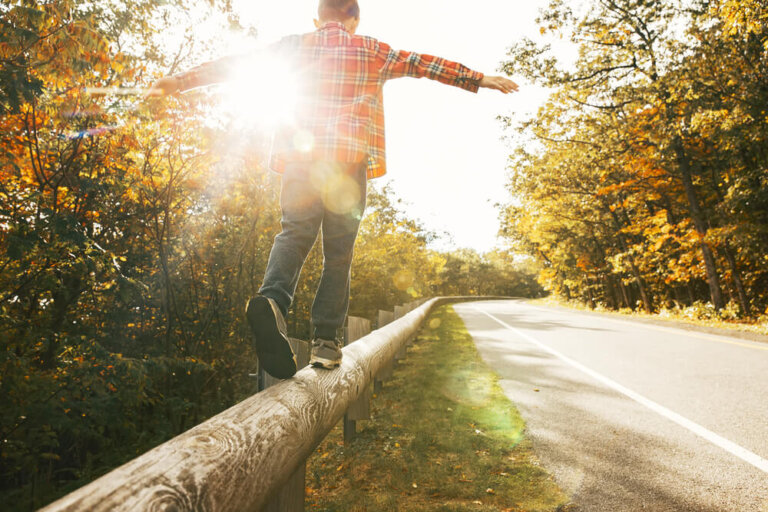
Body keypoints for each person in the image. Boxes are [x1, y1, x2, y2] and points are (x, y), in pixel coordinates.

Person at [149, 0, 519, 379]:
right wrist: (477, 78)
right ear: (354, 20)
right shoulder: (372, 49)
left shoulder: (294, 45)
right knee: (338, 254)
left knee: (294, 233)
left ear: (317, 19)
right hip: (347, 164)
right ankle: (326, 341)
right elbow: (423, 64)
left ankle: (272, 300)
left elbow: (239, 64)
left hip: (300, 159)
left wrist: (179, 81)